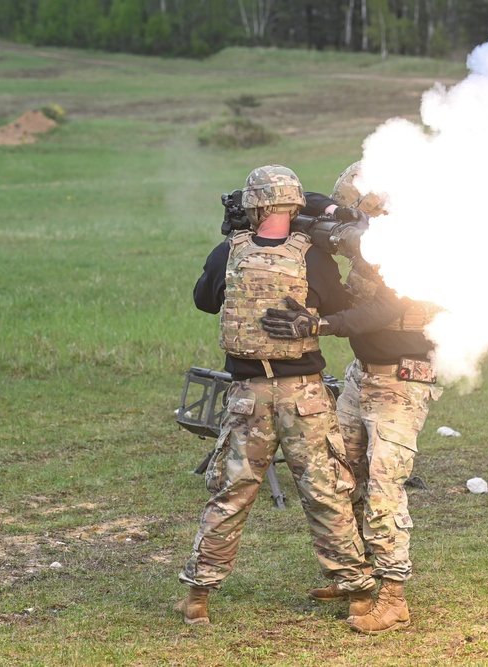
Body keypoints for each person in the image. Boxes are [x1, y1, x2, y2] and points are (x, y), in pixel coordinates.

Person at [174, 164, 378, 625]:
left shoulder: (228, 252)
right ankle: (358, 592)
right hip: (303, 395)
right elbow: (341, 308)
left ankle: (198, 597)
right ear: (292, 205)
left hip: (248, 396)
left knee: (230, 494)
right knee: (326, 490)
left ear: (252, 206)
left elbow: (205, 300)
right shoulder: (312, 257)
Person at [262, 161, 442, 635]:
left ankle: (394, 597)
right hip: (363, 376)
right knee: (343, 475)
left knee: (384, 489)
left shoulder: (420, 248)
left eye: (362, 212)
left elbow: (383, 310)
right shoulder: (370, 242)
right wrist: (303, 209)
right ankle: (357, 578)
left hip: (401, 384)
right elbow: (323, 203)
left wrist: (321, 325)